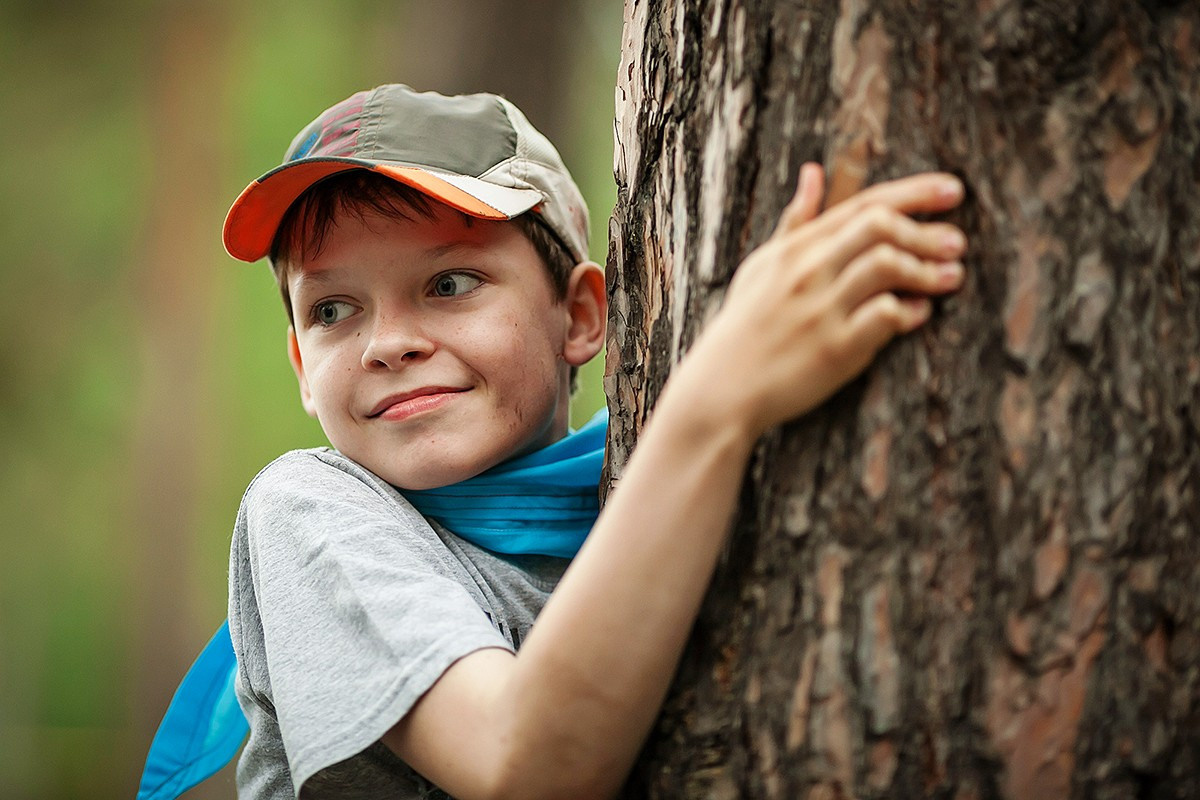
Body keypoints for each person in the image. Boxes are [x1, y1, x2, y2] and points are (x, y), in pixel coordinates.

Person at [143, 83, 968, 799]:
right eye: (332, 310)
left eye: (449, 283)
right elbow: (520, 767)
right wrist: (719, 399)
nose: (385, 343)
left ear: (578, 315)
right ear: (300, 363)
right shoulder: (310, 512)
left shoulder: (640, 495)